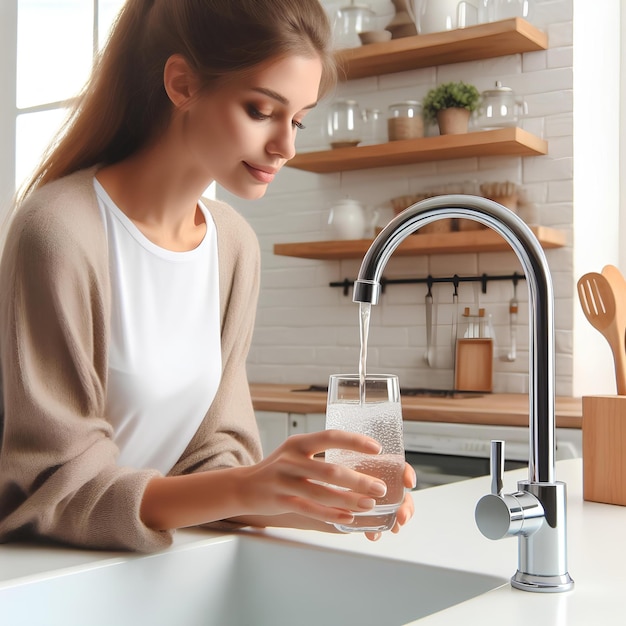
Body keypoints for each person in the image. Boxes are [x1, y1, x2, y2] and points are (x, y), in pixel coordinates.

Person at [0, 0, 415, 553]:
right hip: (41, 578)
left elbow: (210, 455)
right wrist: (248, 486)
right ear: (182, 84)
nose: (286, 146)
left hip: (151, 572)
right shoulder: (60, 231)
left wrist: (310, 504)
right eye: (261, 109)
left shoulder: (233, 245)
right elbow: (53, 482)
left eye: (297, 119)